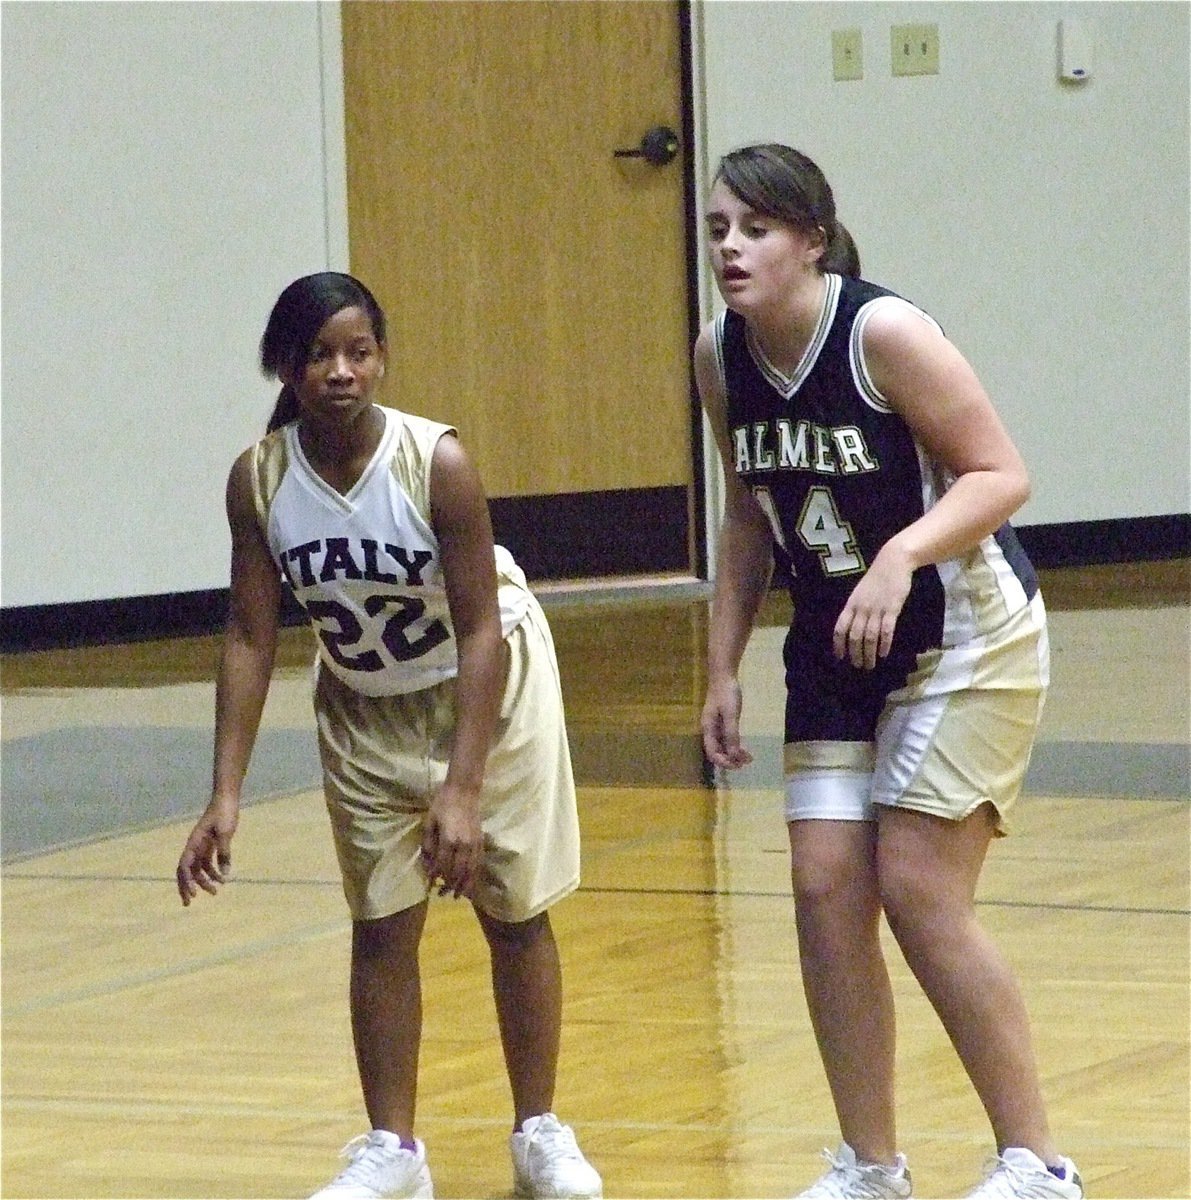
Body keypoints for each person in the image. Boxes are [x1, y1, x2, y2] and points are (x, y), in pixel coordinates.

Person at [695, 144, 1083, 1200]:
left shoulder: (883, 334)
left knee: (916, 889)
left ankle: (1037, 1163)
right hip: (834, 642)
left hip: (965, 636)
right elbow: (746, 513)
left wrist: (904, 551)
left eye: (756, 228)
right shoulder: (718, 354)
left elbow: (1003, 473)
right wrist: (720, 664)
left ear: (811, 240)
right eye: (719, 228)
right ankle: (872, 1166)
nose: (731, 246)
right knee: (824, 892)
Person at [176, 272, 602, 1200]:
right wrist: (225, 793)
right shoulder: (259, 479)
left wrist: (462, 786)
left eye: (358, 351)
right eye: (318, 354)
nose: (340, 371)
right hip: (364, 702)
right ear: (284, 366)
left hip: (489, 686)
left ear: (381, 358)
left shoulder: (435, 462)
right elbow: (251, 635)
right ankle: (392, 1152)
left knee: (514, 911)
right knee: (380, 924)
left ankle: (539, 1132)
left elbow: (482, 627)